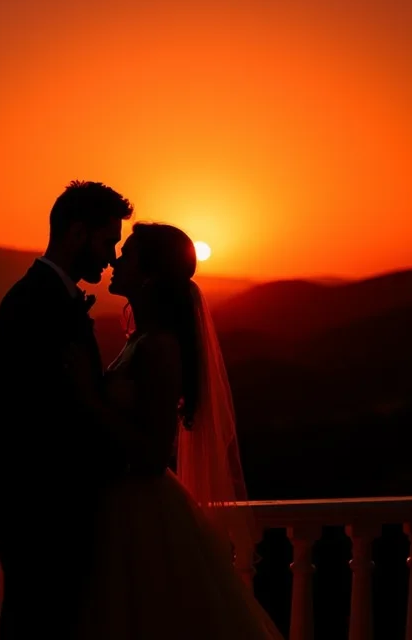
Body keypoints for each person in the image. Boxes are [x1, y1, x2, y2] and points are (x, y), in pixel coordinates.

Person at [65, 222, 284, 640]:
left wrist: (90, 400)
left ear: (148, 274)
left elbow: (151, 454)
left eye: (125, 254)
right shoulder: (138, 339)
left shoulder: (160, 346)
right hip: (117, 504)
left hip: (141, 510)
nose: (114, 260)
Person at [0, 180, 134, 639]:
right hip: (42, 512)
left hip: (48, 511)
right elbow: (44, 418)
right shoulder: (35, 304)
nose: (110, 258)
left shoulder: (47, 297)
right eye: (108, 242)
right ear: (77, 233)